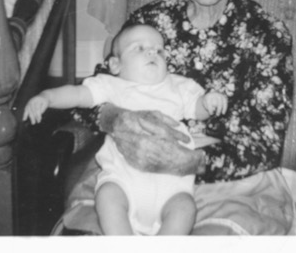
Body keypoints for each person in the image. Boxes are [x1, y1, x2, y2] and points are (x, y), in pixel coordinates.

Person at [66, 0, 296, 235]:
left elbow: (266, 144)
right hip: (132, 175)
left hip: (230, 186)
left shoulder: (267, 33)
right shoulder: (149, 22)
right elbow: (90, 96)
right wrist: (116, 118)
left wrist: (191, 162)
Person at [24, 23, 228, 236]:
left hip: (171, 186)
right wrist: (47, 97)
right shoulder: (111, 85)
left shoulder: (179, 86)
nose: (152, 53)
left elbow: (197, 109)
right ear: (115, 65)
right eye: (140, 48)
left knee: (185, 209)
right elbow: (78, 94)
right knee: (107, 196)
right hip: (123, 180)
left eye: (159, 50)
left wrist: (208, 102)